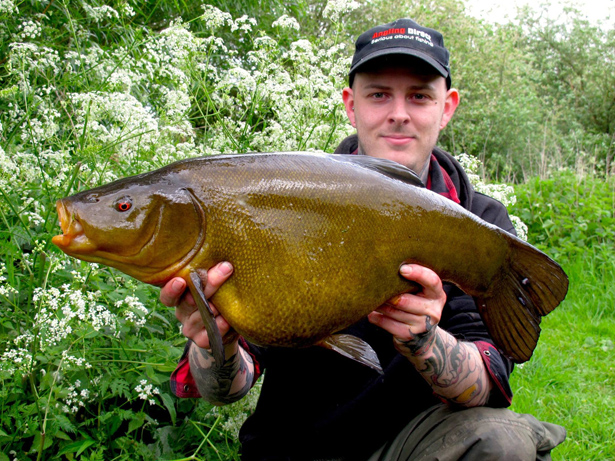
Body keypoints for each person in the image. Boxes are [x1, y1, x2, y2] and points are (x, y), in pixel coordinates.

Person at [161, 18, 566, 460]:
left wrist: (426, 341)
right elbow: (225, 390)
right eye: (379, 95)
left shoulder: (479, 224)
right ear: (351, 106)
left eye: (419, 96)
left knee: (503, 442)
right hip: (296, 447)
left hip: (416, 445)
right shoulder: (286, 198)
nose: (399, 113)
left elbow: (487, 384)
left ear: (446, 107)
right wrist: (216, 343)